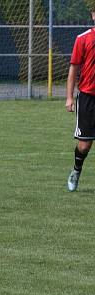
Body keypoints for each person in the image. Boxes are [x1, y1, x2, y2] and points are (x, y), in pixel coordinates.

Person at [65, 8, 95, 192]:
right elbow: (73, 69)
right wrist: (69, 97)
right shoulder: (82, 38)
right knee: (84, 145)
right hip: (87, 97)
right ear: (93, 15)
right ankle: (76, 171)